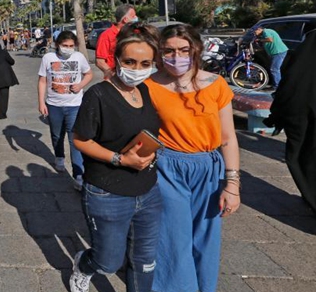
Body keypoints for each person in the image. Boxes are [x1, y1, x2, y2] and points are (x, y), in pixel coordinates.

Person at [145, 24, 240, 292]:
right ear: (160, 52)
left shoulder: (216, 85)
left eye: (184, 50)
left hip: (209, 169)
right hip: (167, 167)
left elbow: (228, 138)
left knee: (206, 238)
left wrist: (232, 185)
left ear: (195, 49)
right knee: (173, 239)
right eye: (169, 51)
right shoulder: (149, 86)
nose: (177, 57)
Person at [69, 24, 163, 292]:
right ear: (117, 59)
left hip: (148, 191)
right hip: (107, 192)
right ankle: (83, 265)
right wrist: (120, 160)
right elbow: (79, 139)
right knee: (107, 262)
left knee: (144, 262)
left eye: (145, 62)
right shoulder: (97, 95)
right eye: (130, 61)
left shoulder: (145, 90)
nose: (137, 68)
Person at [265, 31, 316, 211]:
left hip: (298, 118)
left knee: (300, 156)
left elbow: (287, 91)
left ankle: (310, 196)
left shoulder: (298, 66)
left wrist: (275, 116)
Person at [37, 31, 93, 190]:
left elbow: (88, 74)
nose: (68, 49)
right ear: (57, 44)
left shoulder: (79, 57)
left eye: (71, 46)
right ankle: (59, 156)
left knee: (74, 140)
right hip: (54, 104)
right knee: (56, 135)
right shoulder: (48, 58)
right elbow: (42, 81)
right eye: (64, 46)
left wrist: (81, 85)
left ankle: (78, 175)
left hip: (75, 104)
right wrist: (41, 102)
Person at [95, 4, 138, 80]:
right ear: (125, 19)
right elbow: (100, 61)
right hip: (115, 80)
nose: (136, 18)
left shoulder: (135, 33)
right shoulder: (106, 35)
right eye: (133, 16)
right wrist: (113, 75)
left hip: (134, 77)